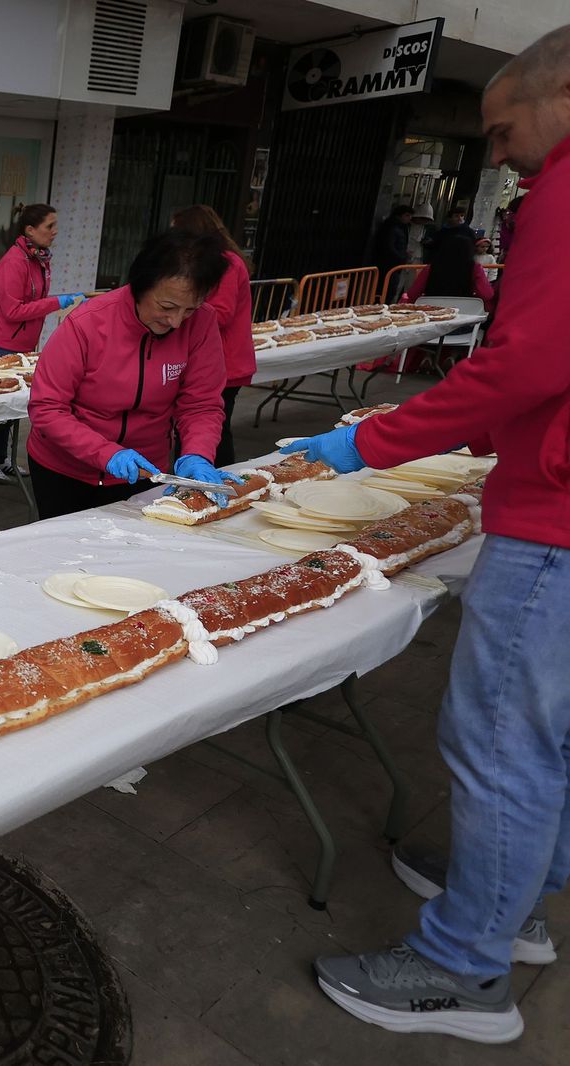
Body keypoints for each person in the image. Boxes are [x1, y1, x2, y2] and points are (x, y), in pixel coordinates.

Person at [296, 24, 570, 1045]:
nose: (495, 156)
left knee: (500, 744)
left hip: (556, 523)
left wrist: (370, 441)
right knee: (547, 741)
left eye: (502, 132)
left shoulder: (568, 196)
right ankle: (515, 904)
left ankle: (465, 965)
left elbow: (522, 364)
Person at [25, 228, 234, 519]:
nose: (176, 322)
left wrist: (197, 453)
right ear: (140, 285)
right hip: (65, 469)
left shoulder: (202, 323)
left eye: (189, 310)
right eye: (167, 307)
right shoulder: (88, 323)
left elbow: (201, 404)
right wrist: (106, 452)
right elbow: (47, 408)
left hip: (145, 471)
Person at [0, 203, 84, 481]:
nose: (55, 232)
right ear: (30, 230)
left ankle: (3, 459)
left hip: (24, 344)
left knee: (11, 408)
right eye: (50, 226)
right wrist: (54, 303)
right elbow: (13, 312)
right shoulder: (15, 262)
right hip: (2, 345)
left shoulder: (37, 259)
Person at [170, 205, 254, 467]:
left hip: (224, 361)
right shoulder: (220, 259)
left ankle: (216, 476)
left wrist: (181, 312)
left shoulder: (225, 262)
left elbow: (221, 313)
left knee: (212, 428)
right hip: (219, 359)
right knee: (204, 427)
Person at [399, 228, 498, 312]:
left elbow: (413, 294)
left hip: (431, 321)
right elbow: (487, 294)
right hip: (463, 321)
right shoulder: (475, 269)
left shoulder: (430, 269)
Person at [370, 204, 414, 279]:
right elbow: (389, 247)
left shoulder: (400, 227)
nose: (409, 218)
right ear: (399, 216)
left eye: (410, 216)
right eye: (407, 215)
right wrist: (403, 258)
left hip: (391, 263)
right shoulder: (393, 227)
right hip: (389, 264)